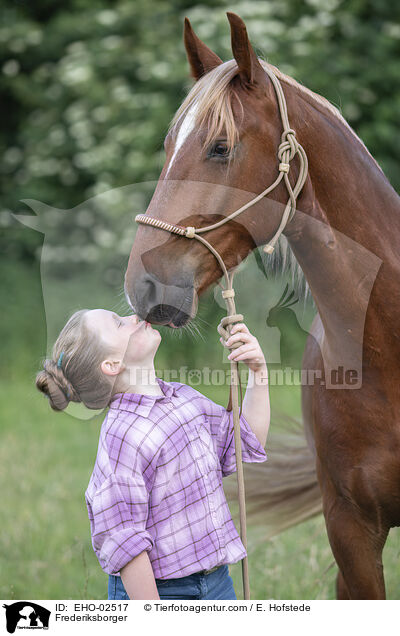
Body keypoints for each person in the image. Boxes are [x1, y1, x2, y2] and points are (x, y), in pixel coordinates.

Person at [36, 308, 270, 600]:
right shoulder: (122, 436)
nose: (134, 316)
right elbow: (125, 541)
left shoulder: (184, 398)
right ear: (112, 364)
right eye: (119, 323)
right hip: (162, 592)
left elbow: (243, 442)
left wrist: (258, 372)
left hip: (217, 582)